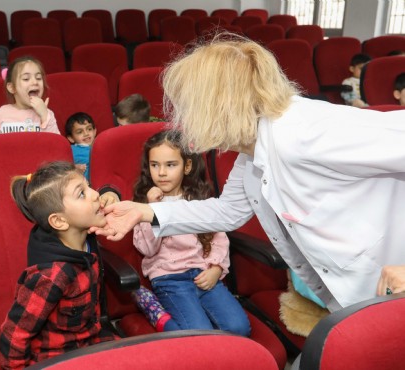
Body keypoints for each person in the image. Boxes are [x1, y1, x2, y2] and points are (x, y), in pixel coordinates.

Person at [91, 34, 405, 314]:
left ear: (218, 104)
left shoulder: (305, 133)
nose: (182, 116)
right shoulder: (253, 147)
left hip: (386, 289)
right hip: (361, 298)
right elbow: (227, 211)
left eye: (188, 104)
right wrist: (143, 211)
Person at [131, 130, 251, 336]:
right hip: (169, 279)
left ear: (187, 166)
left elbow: (219, 239)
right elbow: (148, 249)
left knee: (239, 329)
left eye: (170, 165)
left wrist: (216, 268)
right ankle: (158, 316)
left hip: (203, 274)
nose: (161, 173)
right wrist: (153, 209)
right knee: (199, 334)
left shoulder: (198, 200)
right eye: (154, 165)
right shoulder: (144, 205)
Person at [0, 162, 117, 370]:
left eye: (89, 185)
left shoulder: (86, 237)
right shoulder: (50, 276)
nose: (94, 194)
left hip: (90, 339)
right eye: (81, 193)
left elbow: (109, 195)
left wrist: (111, 193)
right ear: (59, 221)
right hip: (57, 355)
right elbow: (14, 334)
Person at [0, 56, 60, 135]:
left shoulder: (47, 114)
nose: (35, 82)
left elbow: (55, 144)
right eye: (26, 79)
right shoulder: (1, 113)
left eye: (38, 78)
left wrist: (45, 116)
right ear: (11, 87)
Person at [64, 112, 96, 180]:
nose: (86, 133)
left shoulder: (102, 145)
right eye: (80, 132)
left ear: (94, 131)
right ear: (71, 138)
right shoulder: (71, 150)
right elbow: (61, 167)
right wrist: (73, 168)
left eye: (89, 129)